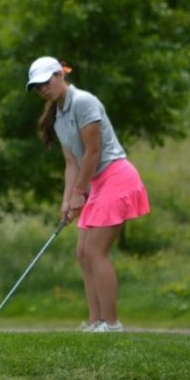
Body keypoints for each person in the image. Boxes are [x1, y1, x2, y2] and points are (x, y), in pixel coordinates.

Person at [26, 56, 150, 332]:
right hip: (94, 182)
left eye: (46, 81)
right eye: (37, 87)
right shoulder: (57, 117)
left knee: (96, 252)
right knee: (82, 253)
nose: (43, 89)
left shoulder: (84, 102)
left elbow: (93, 153)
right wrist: (67, 200)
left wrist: (80, 192)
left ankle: (112, 323)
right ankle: (95, 322)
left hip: (115, 177)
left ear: (60, 75)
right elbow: (72, 162)